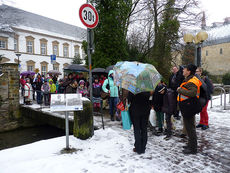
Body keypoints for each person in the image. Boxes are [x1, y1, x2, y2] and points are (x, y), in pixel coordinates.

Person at [177, 64, 202, 154]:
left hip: (189, 107)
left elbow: (192, 93)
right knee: (188, 127)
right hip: (187, 106)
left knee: (190, 128)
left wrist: (180, 90)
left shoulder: (192, 81)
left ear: (189, 71)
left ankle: (193, 149)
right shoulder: (189, 79)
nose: (183, 70)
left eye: (185, 69)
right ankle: (190, 144)